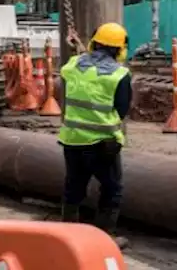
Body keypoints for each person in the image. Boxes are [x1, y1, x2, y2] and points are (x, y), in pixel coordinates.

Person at [57, 21, 132, 248]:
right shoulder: (120, 75)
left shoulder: (71, 66)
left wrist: (78, 48)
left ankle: (67, 236)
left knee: (74, 188)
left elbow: (84, 65)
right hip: (103, 144)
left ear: (94, 42)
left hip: (72, 141)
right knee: (112, 189)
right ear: (120, 49)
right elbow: (122, 109)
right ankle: (103, 239)